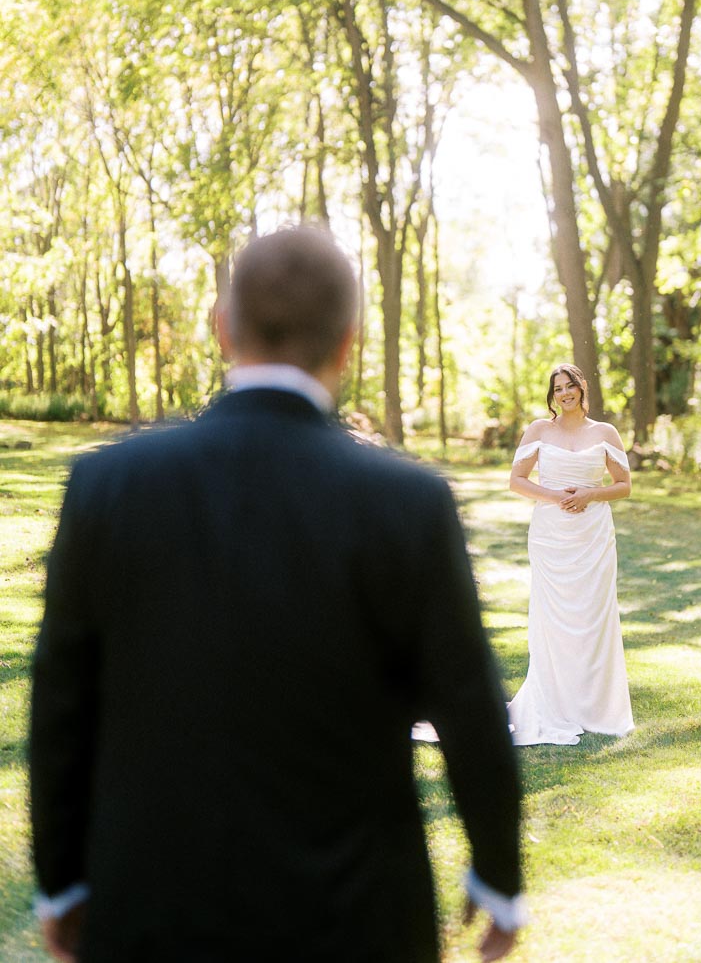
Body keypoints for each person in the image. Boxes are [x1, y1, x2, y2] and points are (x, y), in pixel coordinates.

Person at [30, 225, 524, 963]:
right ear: (348, 341)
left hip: (154, 913)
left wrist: (63, 883)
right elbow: (468, 705)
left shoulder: (112, 485)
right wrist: (497, 876)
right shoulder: (407, 502)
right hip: (354, 920)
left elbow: (62, 702)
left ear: (223, 328)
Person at [507, 363, 634, 746]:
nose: (565, 393)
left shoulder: (604, 432)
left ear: (582, 388)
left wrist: (590, 494)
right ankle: (555, 700)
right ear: (553, 395)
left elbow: (624, 485)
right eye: (558, 388)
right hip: (551, 536)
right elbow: (516, 481)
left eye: (571, 385)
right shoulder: (539, 430)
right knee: (555, 617)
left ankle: (595, 706)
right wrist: (558, 496)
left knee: (593, 615)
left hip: (593, 537)